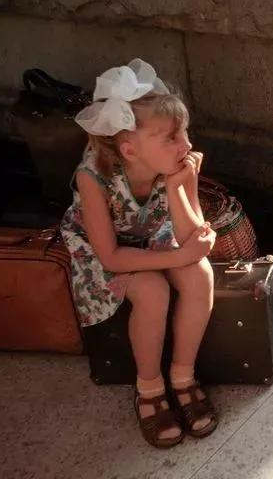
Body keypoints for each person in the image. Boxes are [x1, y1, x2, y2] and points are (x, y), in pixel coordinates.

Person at [61, 59, 219, 448]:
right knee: (152, 290)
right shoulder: (92, 176)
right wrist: (179, 257)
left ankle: (183, 375)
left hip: (153, 235)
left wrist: (180, 186)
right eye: (171, 137)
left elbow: (192, 235)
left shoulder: (175, 166)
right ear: (130, 149)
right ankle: (149, 387)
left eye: (184, 132)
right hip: (102, 249)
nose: (186, 145)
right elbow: (112, 257)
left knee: (200, 275)